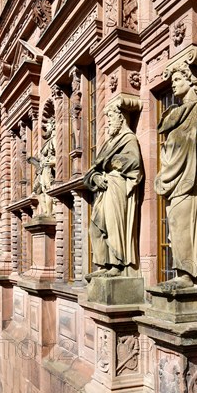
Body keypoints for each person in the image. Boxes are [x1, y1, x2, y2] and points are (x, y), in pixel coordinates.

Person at [154, 61, 197, 288]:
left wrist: (188, 139)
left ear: (191, 80)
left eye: (177, 80)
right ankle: (182, 271)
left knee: (185, 221)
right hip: (177, 176)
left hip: (195, 177)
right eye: (172, 80)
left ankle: (191, 274)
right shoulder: (176, 113)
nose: (173, 85)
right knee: (175, 221)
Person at [84, 101, 143, 278]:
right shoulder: (110, 143)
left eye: (110, 117)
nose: (108, 122)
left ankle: (117, 265)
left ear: (121, 118)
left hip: (117, 186)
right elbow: (92, 170)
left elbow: (134, 162)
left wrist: (110, 165)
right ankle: (103, 263)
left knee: (113, 224)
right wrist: (96, 177)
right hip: (104, 188)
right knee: (95, 226)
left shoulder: (128, 138)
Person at [29, 117, 56, 216]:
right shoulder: (49, 141)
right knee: (38, 191)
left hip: (48, 169)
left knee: (48, 190)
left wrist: (52, 162)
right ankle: (45, 211)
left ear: (53, 127)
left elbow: (60, 156)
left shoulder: (55, 139)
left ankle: (49, 213)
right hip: (42, 169)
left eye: (48, 126)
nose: (46, 129)